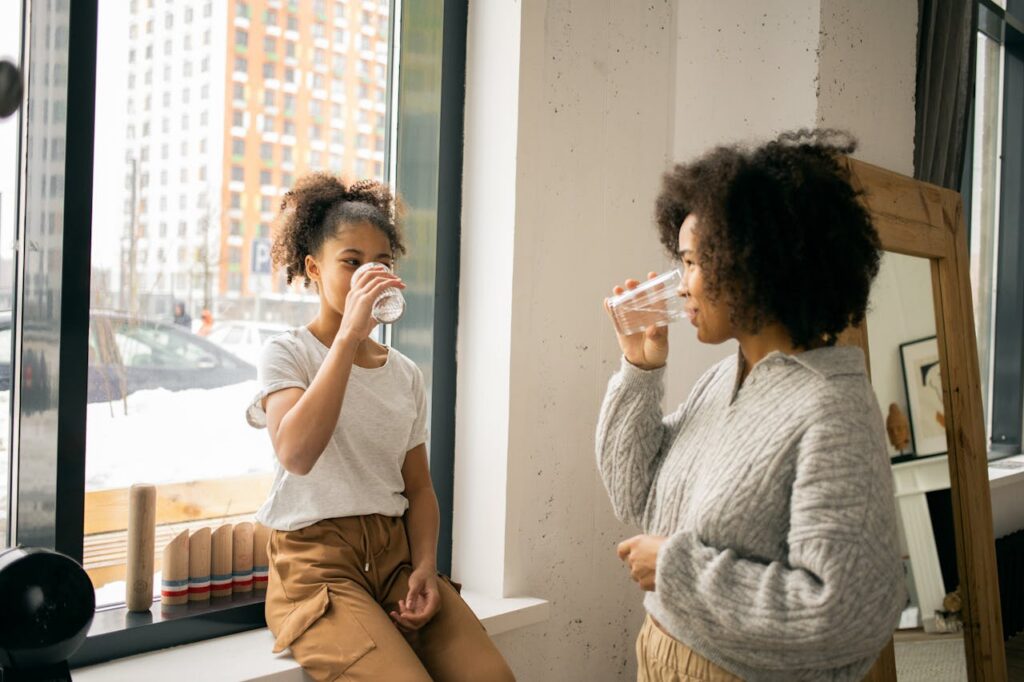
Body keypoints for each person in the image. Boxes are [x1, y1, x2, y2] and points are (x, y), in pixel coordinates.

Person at [597, 130, 904, 681]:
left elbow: (844, 613)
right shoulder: (723, 382)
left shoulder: (830, 410)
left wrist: (676, 569)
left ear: (754, 263)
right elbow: (635, 495)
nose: (681, 285)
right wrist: (640, 371)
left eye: (693, 262)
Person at [245, 174, 515, 682]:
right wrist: (348, 335)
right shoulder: (288, 353)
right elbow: (296, 454)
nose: (368, 274)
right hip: (317, 565)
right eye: (351, 262)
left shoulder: (404, 374)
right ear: (313, 268)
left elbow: (418, 489)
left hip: (395, 559)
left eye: (382, 264)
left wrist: (425, 568)